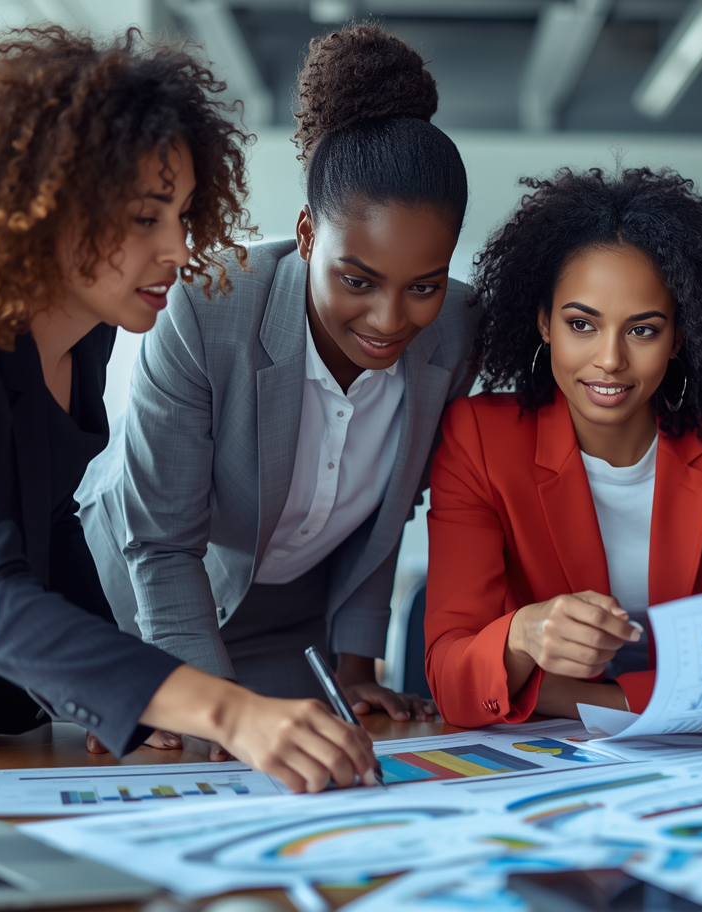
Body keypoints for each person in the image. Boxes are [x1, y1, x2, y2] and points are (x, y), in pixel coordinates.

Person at [0, 27, 377, 808]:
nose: (179, 250)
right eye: (145, 219)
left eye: (183, 215)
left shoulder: (86, 333)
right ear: (47, 207)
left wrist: (122, 695)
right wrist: (223, 707)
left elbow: (51, 526)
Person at [79, 25, 470, 745]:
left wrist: (356, 667)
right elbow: (161, 541)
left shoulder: (457, 332)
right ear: (308, 235)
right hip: (131, 605)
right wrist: (209, 709)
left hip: (289, 621)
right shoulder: (208, 308)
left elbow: (392, 510)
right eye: (358, 280)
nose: (391, 320)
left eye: (424, 285)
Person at [424, 167, 702, 725]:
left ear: (679, 337)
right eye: (582, 324)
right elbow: (451, 680)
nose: (609, 359)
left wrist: (583, 699)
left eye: (643, 330)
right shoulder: (480, 441)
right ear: (544, 322)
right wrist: (522, 636)